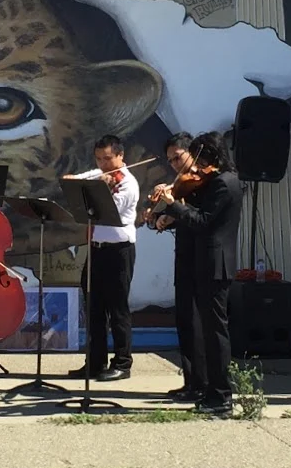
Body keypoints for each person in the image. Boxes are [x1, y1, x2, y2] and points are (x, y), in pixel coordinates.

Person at [154, 132, 242, 415]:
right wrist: (172, 209)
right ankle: (209, 389)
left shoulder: (224, 183)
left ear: (211, 155)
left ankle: (221, 395)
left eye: (200, 157)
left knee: (215, 331)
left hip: (214, 264)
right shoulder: (214, 181)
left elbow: (203, 221)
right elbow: (194, 215)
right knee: (207, 328)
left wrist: (173, 204)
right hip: (205, 262)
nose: (197, 164)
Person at [64, 135, 140, 382]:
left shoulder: (128, 183)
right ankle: (95, 362)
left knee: (117, 308)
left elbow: (105, 211)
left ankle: (123, 362)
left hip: (119, 249)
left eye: (108, 159)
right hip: (97, 248)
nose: (104, 165)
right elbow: (73, 182)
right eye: (99, 159)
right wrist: (79, 182)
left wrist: (100, 187)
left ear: (120, 156)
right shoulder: (98, 175)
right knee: (93, 307)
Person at [148, 132, 201, 400]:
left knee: (196, 322)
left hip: (201, 260)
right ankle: (190, 380)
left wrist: (172, 210)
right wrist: (159, 218)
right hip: (183, 256)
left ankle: (200, 382)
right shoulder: (181, 184)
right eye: (170, 161)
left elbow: (196, 217)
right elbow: (177, 215)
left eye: (177, 157)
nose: (174, 165)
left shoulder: (203, 183)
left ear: (191, 152)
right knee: (184, 321)